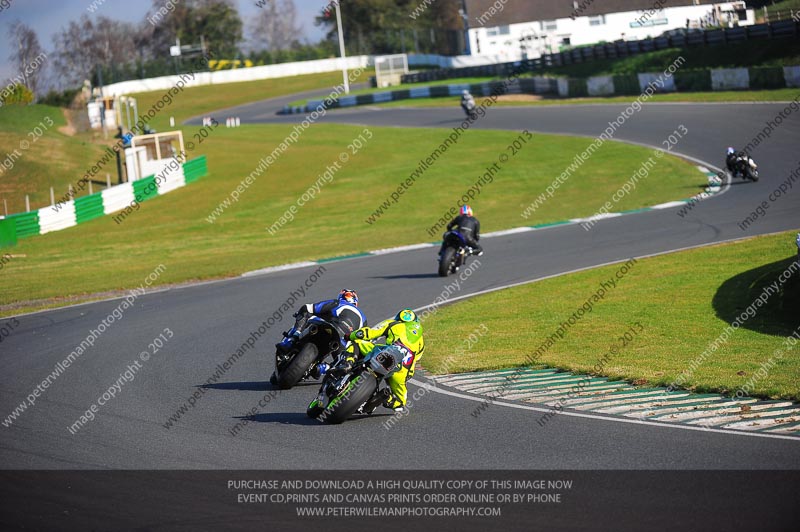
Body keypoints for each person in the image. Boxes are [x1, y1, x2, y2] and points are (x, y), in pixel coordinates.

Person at [333, 309, 425, 413]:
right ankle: (384, 397)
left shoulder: (392, 323)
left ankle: (347, 362)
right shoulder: (421, 340)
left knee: (357, 343)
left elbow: (368, 333)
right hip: (402, 371)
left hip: (385, 353)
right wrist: (408, 375)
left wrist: (350, 336)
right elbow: (416, 358)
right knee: (400, 402)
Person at [272, 289, 366, 382]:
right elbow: (362, 340)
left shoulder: (338, 303)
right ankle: (325, 368)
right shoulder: (363, 319)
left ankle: (291, 339)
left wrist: (300, 314)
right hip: (341, 341)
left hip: (327, 328)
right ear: (356, 302)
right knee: (345, 364)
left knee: (306, 310)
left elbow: (310, 308)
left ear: (341, 297)